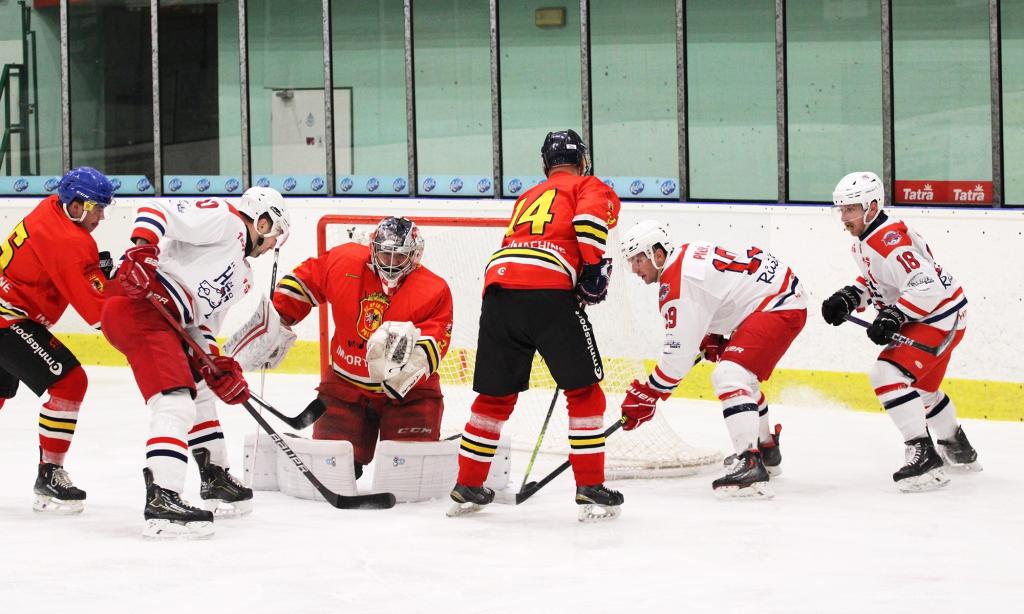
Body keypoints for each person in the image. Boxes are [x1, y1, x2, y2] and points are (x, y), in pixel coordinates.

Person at [448, 129, 623, 522]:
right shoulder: (589, 185)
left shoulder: (527, 196)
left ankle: (468, 483)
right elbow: (589, 223)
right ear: (582, 160)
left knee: (494, 398)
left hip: (499, 290)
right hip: (547, 292)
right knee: (584, 393)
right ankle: (590, 486)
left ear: (546, 164)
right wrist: (592, 269)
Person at [100, 187, 290, 539]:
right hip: (137, 305)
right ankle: (163, 497)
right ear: (263, 222)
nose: (272, 246)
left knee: (201, 389)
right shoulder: (225, 220)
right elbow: (155, 210)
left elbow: (201, 326)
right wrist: (143, 250)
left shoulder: (243, 278)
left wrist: (217, 365)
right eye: (274, 235)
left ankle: (214, 476)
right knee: (175, 403)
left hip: (167, 320)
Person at [619, 220, 806, 499]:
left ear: (657, 254)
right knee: (742, 379)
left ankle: (750, 463)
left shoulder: (676, 285)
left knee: (729, 375)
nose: (634, 269)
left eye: (638, 260)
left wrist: (649, 393)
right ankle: (766, 450)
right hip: (776, 294)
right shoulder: (686, 253)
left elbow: (677, 359)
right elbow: (722, 292)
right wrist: (713, 335)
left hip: (778, 304)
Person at [821, 171, 978, 492]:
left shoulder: (887, 241)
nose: (844, 217)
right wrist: (851, 297)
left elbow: (927, 287)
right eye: (842, 210)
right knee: (921, 391)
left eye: (851, 209)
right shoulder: (868, 239)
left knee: (886, 374)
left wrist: (895, 315)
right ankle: (957, 447)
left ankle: (924, 455)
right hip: (945, 314)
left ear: (872, 206)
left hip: (937, 317)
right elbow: (881, 280)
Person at [266, 216, 453, 480]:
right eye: (385, 254)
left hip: (408, 395)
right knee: (334, 470)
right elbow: (305, 280)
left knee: (406, 475)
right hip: (346, 388)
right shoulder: (344, 262)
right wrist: (276, 318)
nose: (390, 263)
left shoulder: (433, 289)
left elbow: (436, 340)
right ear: (373, 249)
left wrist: (405, 371)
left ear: (415, 255)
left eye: (399, 256)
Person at [0, 166, 114, 514]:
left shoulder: (51, 206)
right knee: (70, 382)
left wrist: (97, 275)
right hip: (8, 318)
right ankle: (50, 475)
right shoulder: (70, 241)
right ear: (76, 206)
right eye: (96, 208)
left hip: (8, 309)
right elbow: (99, 315)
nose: (101, 217)